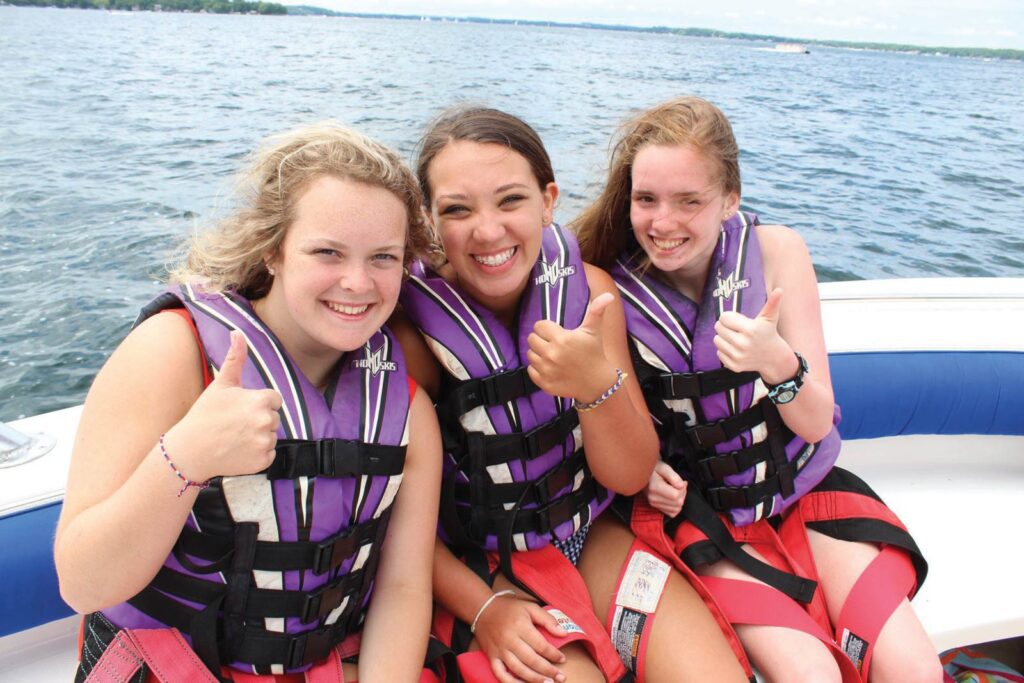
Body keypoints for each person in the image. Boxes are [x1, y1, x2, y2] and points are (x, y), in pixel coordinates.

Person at [54, 122, 443, 682]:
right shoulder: (172, 354)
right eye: (327, 252)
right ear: (273, 252)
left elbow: (402, 588)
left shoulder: (406, 410)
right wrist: (187, 458)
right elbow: (82, 583)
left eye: (382, 257)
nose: (357, 282)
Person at [574, 95, 942, 683]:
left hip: (806, 493)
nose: (662, 223)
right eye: (647, 200)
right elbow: (615, 421)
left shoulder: (777, 253)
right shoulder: (607, 289)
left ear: (730, 200)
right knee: (811, 675)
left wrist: (779, 364)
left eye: (689, 201)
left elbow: (817, 423)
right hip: (704, 518)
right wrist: (649, 474)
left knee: (914, 671)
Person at [393, 106, 747, 683]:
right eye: (457, 210)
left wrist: (595, 388)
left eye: (511, 200)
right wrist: (484, 612)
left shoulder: (592, 296)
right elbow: (391, 520)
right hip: (484, 561)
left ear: (548, 200)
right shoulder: (413, 339)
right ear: (431, 221)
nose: (487, 231)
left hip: (590, 531)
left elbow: (630, 476)